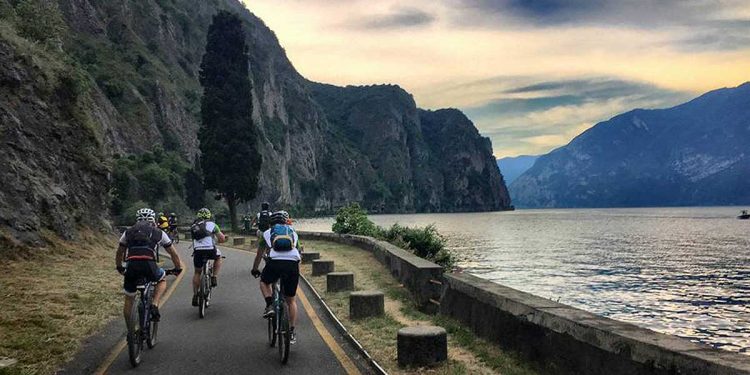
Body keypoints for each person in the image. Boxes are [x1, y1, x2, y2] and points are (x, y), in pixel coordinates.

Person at [116, 208, 183, 324]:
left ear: (137, 219)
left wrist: (120, 267)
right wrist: (177, 268)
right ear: (154, 219)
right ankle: (155, 304)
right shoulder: (159, 232)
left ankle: (130, 331)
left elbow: (120, 252)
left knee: (129, 298)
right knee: (161, 279)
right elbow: (173, 253)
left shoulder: (128, 232)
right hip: (149, 264)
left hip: (131, 265)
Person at [251, 210, 301, 344]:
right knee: (291, 301)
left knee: (264, 282)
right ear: (286, 221)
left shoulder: (267, 233)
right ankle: (291, 332)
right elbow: (299, 252)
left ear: (271, 222)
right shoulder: (293, 232)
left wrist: (255, 269)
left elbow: (259, 254)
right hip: (292, 265)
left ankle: (270, 305)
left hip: (275, 263)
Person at [191, 207, 226, 306]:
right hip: (210, 249)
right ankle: (214, 277)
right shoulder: (213, 225)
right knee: (218, 257)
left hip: (198, 251)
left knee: (197, 272)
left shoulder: (194, 226)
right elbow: (222, 238)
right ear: (209, 216)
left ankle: (195, 294)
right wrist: (221, 239)